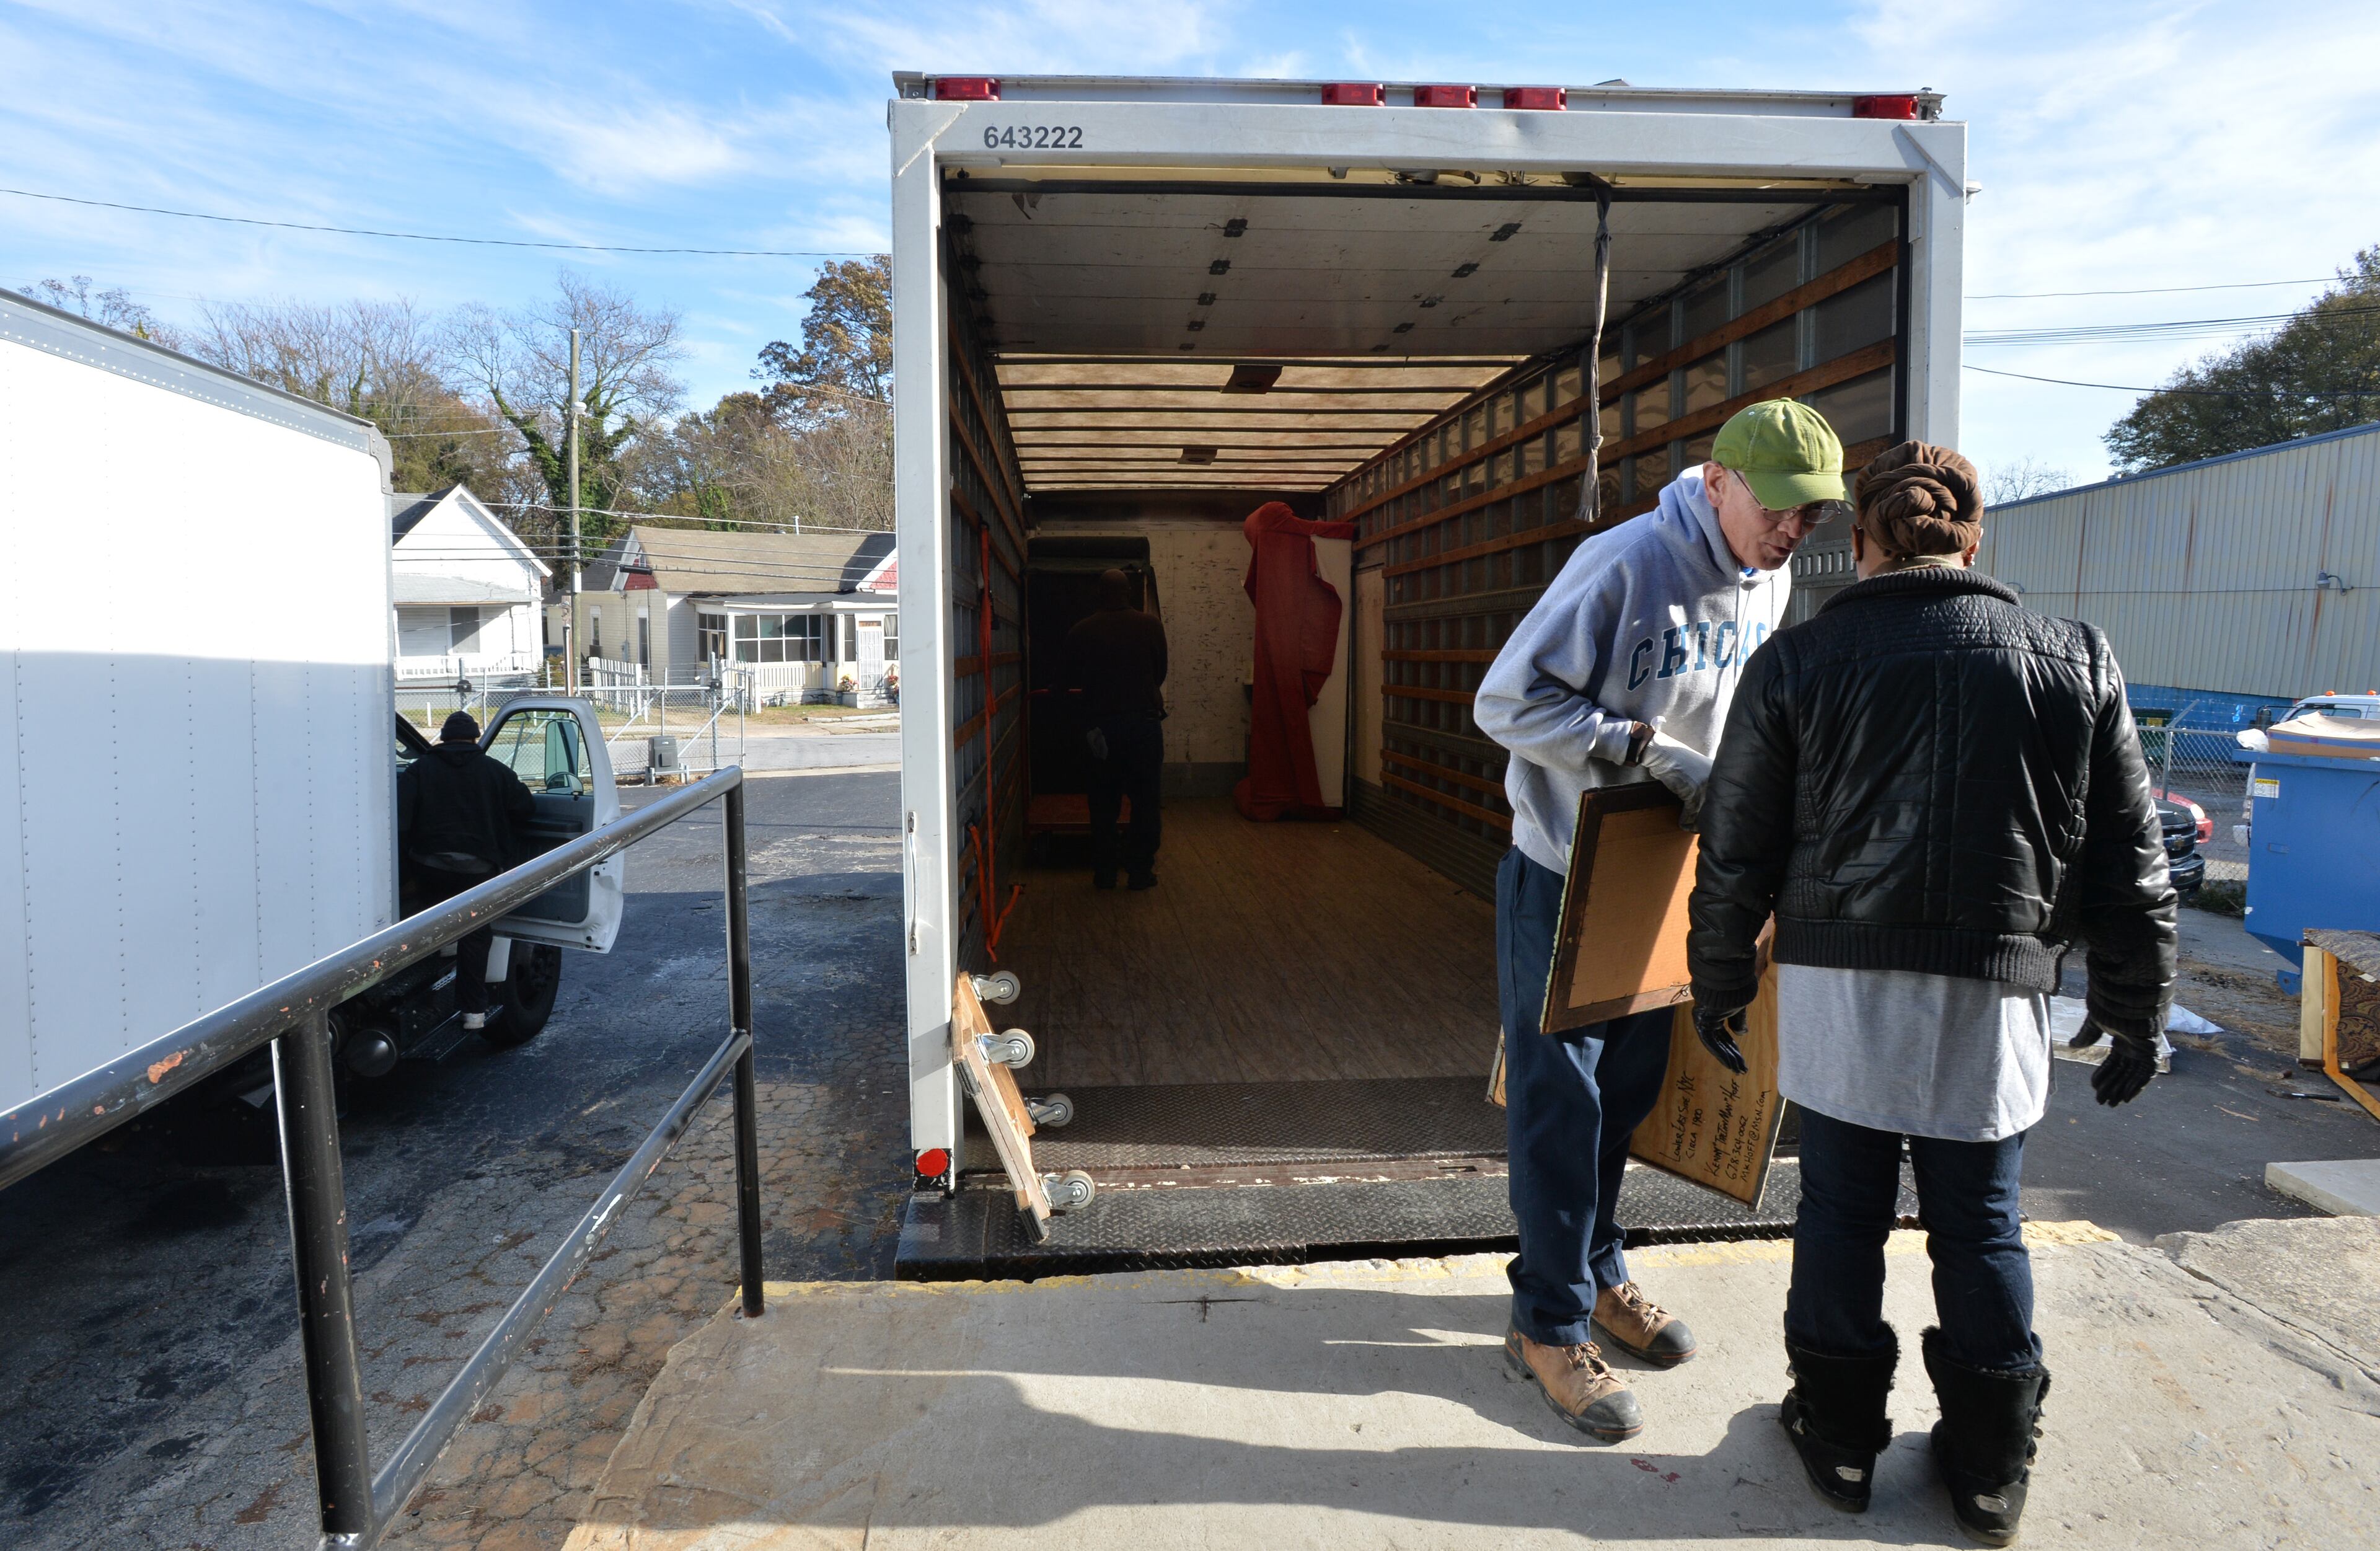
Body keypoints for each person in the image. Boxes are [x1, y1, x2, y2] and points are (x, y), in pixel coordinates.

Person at [1686, 442, 2176, 1541]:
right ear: (1975, 536)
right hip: (1992, 994)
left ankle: (1843, 1439)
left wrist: (1718, 981)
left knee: (1842, 1213)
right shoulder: (2074, 656)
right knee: (1981, 1221)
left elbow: (1736, 847)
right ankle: (1991, 1467)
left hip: (1839, 992)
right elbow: (2129, 861)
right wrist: (2136, 1009)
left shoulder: (1798, 660)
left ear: (1860, 541)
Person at [1473, 399, 1845, 1441]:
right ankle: (1543, 1325)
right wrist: (1644, 750)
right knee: (1562, 1099)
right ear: (1717, 480)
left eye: (1812, 517)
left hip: (1669, 862)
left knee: (1630, 1081)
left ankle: (1595, 1272)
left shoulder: (1768, 578)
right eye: (1777, 508)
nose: (1791, 532)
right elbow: (1504, 703)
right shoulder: (1625, 563)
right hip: (1565, 865)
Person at [397, 710, 539, 1030]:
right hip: (479, 869)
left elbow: (402, 822)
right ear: (475, 738)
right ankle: (473, 1014)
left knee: (429, 924)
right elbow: (526, 809)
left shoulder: (419, 771)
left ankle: (423, 1001)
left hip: (430, 867)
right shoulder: (496, 772)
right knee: (476, 937)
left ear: (444, 739)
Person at [1066, 568, 1168, 891]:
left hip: (1101, 730)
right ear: (1129, 593)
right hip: (1144, 725)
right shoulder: (1151, 625)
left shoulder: (1081, 630)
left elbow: (1069, 677)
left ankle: (1105, 872)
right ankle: (1140, 872)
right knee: (1146, 802)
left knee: (1103, 803)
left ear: (1100, 594)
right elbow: (1160, 671)